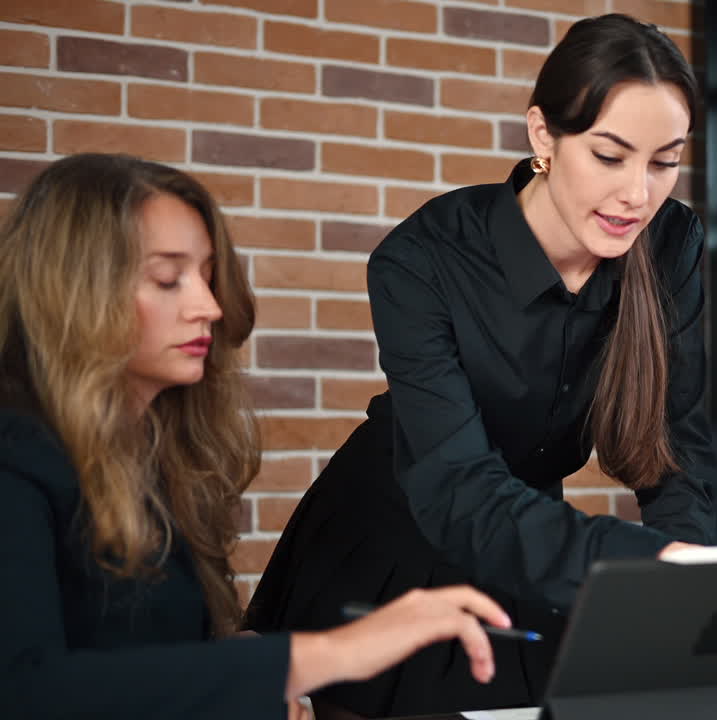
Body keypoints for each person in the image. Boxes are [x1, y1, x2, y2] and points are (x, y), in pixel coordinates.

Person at [246, 14, 717, 717]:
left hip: (536, 547)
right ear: (543, 137)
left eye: (664, 161)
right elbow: (457, 485)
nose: (638, 195)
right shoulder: (423, 259)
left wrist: (692, 580)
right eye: (610, 156)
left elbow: (678, 448)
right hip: (398, 539)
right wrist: (640, 565)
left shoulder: (672, 242)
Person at [0, 153, 515, 719]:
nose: (209, 306)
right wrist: (313, 657)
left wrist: (234, 670)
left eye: (207, 275)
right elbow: (25, 690)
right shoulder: (16, 457)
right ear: (73, 291)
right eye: (168, 279)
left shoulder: (153, 452)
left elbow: (132, 654)